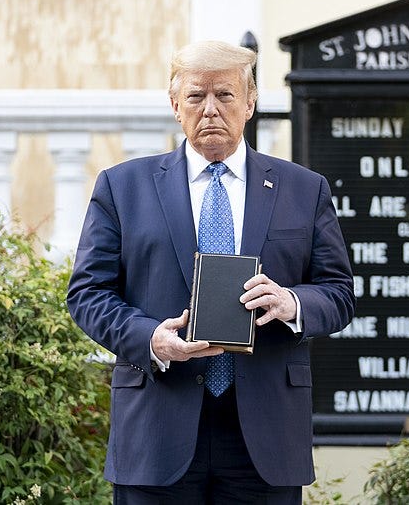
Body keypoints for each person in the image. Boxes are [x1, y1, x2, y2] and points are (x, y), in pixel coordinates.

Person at [67, 40, 355, 504]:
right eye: (197, 96)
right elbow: (87, 293)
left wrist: (292, 303)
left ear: (251, 102)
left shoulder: (303, 189)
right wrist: (149, 338)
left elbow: (339, 293)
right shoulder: (123, 187)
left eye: (225, 95)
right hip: (157, 426)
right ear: (175, 104)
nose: (211, 110)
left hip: (265, 435)